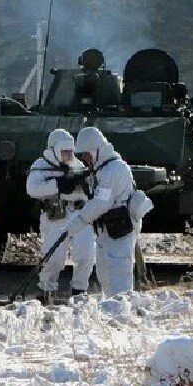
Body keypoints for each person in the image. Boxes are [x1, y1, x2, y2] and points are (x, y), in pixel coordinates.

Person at [62, 127, 150, 296]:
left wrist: (76, 223)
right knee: (105, 275)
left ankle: (120, 313)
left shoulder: (114, 169)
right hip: (105, 231)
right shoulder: (100, 169)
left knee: (119, 275)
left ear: (96, 150)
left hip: (119, 230)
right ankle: (109, 310)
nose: (84, 159)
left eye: (86, 154)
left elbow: (100, 204)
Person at [26, 129, 94, 303]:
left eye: (71, 151)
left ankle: (79, 290)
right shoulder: (41, 166)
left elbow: (92, 190)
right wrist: (58, 185)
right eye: (64, 151)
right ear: (54, 150)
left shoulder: (78, 165)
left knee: (86, 255)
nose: (68, 155)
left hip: (79, 213)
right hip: (55, 215)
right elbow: (32, 189)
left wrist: (84, 184)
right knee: (54, 258)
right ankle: (46, 289)